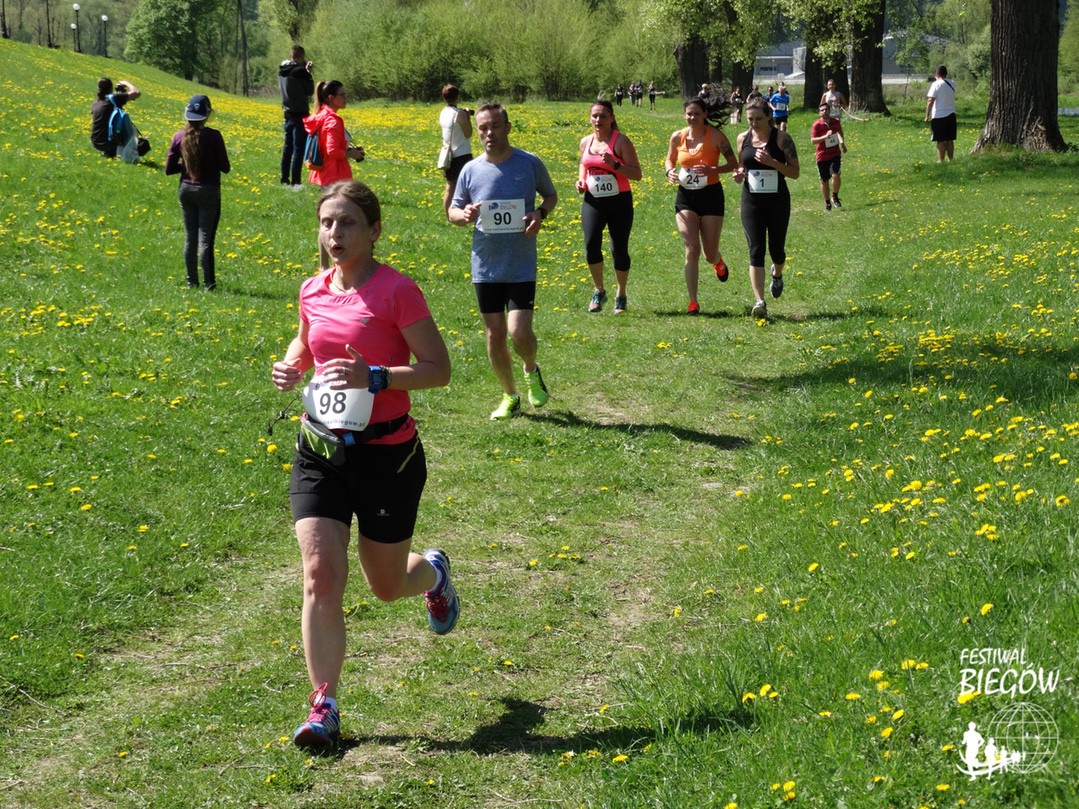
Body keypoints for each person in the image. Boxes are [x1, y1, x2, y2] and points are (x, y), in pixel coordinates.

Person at [270, 180, 456, 750]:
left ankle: (434, 574)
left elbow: (438, 369)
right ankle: (323, 706)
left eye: (348, 222)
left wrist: (375, 377)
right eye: (327, 222)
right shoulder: (313, 288)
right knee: (320, 574)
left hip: (386, 456)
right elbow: (309, 344)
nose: (335, 233)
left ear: (374, 231)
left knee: (386, 585)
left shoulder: (397, 291)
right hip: (321, 449)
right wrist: (291, 365)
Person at [448, 103, 558, 420]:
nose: (489, 133)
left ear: (508, 128)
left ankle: (530, 368)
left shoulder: (529, 163)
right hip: (485, 266)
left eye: (495, 126)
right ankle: (510, 395)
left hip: (520, 263)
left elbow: (550, 196)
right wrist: (464, 215)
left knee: (519, 332)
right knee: (494, 334)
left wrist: (540, 213)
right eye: (483, 128)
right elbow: (453, 211)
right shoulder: (470, 170)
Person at [664, 96, 737, 315]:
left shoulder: (716, 136)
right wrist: (669, 171)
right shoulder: (677, 137)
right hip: (686, 197)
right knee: (691, 249)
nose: (692, 117)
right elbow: (669, 160)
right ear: (684, 115)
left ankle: (718, 262)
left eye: (697, 113)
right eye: (689, 113)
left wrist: (713, 170)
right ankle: (693, 301)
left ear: (705, 114)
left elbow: (733, 163)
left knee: (709, 253)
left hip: (711, 196)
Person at [733, 97, 800, 320]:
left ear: (769, 117)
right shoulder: (742, 139)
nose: (754, 123)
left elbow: (795, 172)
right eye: (750, 119)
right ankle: (760, 302)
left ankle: (777, 273)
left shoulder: (782, 139)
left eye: (758, 119)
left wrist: (773, 163)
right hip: (751, 201)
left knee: (777, 251)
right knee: (755, 250)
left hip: (777, 201)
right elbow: (741, 166)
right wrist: (738, 174)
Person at [577, 100, 642, 315]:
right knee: (591, 245)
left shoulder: (621, 141)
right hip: (593, 200)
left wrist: (615, 165)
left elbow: (637, 174)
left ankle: (621, 294)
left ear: (612, 118)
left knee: (619, 249)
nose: (598, 120)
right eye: (594, 116)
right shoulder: (585, 141)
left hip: (619, 200)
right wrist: (581, 180)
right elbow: (583, 164)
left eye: (603, 116)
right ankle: (599, 290)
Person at [165, 95, 231, 290]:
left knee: (190, 238)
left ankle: (191, 282)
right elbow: (225, 167)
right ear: (207, 115)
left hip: (186, 190)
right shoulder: (214, 136)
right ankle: (209, 284)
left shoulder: (178, 137)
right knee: (206, 239)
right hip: (208, 190)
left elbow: (169, 169)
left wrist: (186, 165)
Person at [304, 80, 366, 267]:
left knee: (328, 221)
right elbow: (332, 151)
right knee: (334, 222)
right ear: (331, 98)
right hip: (334, 176)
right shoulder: (332, 120)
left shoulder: (322, 115)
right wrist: (351, 154)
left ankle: (326, 264)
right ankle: (330, 265)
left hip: (327, 174)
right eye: (342, 95)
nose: (345, 98)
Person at [279, 45, 315, 187]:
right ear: (301, 56)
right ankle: (296, 181)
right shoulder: (301, 72)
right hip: (300, 113)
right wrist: (308, 72)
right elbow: (310, 90)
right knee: (298, 148)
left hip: (287, 112)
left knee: (287, 147)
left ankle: (284, 178)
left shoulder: (282, 69)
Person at [438, 84, 473, 219]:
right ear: (457, 97)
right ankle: (467, 213)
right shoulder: (459, 114)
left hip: (449, 154)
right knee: (468, 185)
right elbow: (468, 133)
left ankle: (449, 215)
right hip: (462, 154)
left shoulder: (443, 113)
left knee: (450, 187)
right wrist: (467, 116)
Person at [809, 102, 847, 211]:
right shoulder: (817, 125)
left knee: (836, 175)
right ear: (819, 112)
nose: (824, 112)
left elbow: (839, 133)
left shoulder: (835, 122)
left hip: (835, 153)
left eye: (826, 109)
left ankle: (835, 196)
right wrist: (825, 136)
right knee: (824, 181)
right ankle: (827, 203)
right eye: (822, 110)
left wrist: (842, 143)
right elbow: (813, 141)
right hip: (822, 156)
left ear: (829, 110)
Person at [90, 77, 140, 158]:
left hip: (95, 141)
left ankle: (109, 152)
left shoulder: (95, 102)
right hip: (106, 143)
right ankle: (131, 155)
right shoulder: (113, 98)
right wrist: (126, 83)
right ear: (111, 88)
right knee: (131, 128)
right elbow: (136, 93)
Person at [925, 65, 957, 162]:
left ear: (937, 73)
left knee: (940, 140)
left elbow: (930, 100)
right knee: (949, 139)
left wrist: (927, 116)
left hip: (939, 115)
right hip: (951, 114)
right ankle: (951, 159)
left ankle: (941, 161)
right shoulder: (952, 83)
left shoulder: (936, 84)